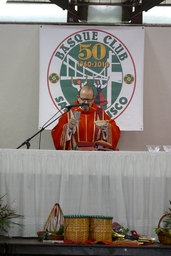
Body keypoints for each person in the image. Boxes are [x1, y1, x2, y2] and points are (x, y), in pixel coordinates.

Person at [51, 86, 120, 150]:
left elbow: (115, 131)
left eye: (89, 100)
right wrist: (68, 127)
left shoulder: (101, 114)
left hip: (95, 157)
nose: (86, 102)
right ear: (78, 97)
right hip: (74, 157)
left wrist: (106, 128)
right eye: (83, 99)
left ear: (93, 99)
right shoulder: (69, 114)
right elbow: (56, 133)